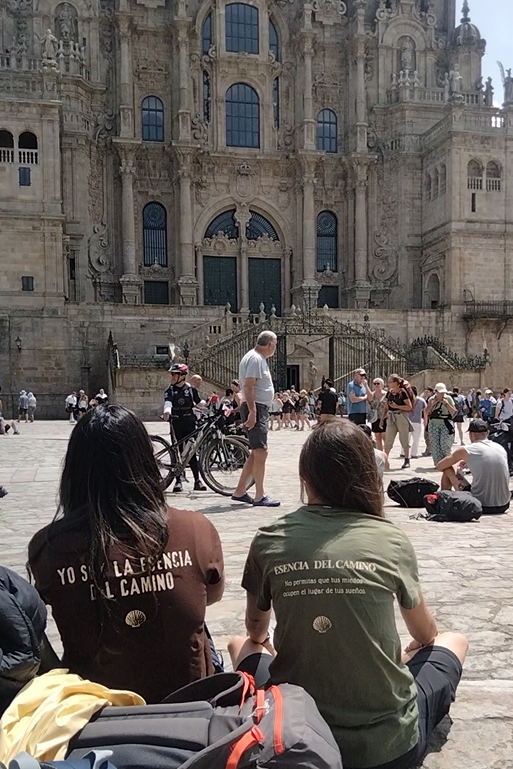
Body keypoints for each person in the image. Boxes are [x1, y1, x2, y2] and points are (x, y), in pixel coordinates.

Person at [230, 420, 468, 769]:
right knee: (453, 640)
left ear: (306, 477)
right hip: (387, 748)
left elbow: (255, 631)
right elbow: (426, 634)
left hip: (298, 739)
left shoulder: (269, 539)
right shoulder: (390, 538)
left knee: (241, 644)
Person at [28, 404, 225, 703]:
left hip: (97, 714)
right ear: (145, 461)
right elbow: (211, 596)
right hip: (190, 712)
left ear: (75, 470)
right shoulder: (195, 529)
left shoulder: (48, 547)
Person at [231, 330, 280, 507]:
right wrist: (252, 411)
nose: (275, 348)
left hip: (259, 407)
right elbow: (249, 386)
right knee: (261, 451)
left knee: (256, 451)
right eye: (275, 344)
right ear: (270, 345)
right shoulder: (255, 359)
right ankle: (259, 495)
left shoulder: (256, 358)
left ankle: (240, 491)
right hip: (257, 407)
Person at [436, 419, 510, 515]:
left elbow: (440, 466)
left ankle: (444, 503)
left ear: (470, 434)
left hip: (479, 504)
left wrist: (456, 464)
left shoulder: (467, 450)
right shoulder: (499, 448)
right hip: (503, 505)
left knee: (448, 469)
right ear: (487, 433)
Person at [162, 362, 207, 493]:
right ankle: (178, 481)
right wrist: (167, 412)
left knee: (192, 452)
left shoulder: (191, 390)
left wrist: (208, 403)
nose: (172, 377)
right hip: (176, 422)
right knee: (179, 452)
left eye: (174, 374)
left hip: (189, 421)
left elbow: (199, 403)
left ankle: (197, 481)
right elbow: (168, 403)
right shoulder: (169, 390)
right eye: (171, 374)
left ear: (182, 376)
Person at [381, 374, 414, 469]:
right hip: (391, 417)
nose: (389, 383)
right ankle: (384, 461)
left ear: (396, 383)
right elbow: (386, 406)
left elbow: (409, 406)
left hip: (401, 416)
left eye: (391, 381)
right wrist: (383, 418)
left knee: (404, 439)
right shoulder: (390, 392)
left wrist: (397, 406)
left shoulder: (402, 392)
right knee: (388, 440)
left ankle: (407, 459)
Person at [425, 383, 457, 466]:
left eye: (443, 392)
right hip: (434, 424)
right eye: (440, 392)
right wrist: (433, 404)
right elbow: (427, 411)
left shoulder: (448, 398)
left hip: (445, 423)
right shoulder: (431, 399)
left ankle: (448, 462)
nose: (442, 394)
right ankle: (438, 464)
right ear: (436, 392)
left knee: (445, 444)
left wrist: (446, 403)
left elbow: (453, 412)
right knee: (435, 445)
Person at [369, 377, 387, 451]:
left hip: (384, 417)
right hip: (375, 417)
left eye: (378, 383)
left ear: (382, 385)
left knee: (384, 436)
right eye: (375, 383)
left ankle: (386, 452)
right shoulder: (372, 395)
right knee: (377, 436)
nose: (376, 385)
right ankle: (380, 452)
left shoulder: (386, 394)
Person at [409, 386, 427, 459]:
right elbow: (425, 411)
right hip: (417, 421)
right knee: (416, 439)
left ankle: (403, 452)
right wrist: (425, 420)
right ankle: (414, 453)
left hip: (408, 421)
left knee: (406, 439)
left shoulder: (407, 400)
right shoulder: (421, 400)